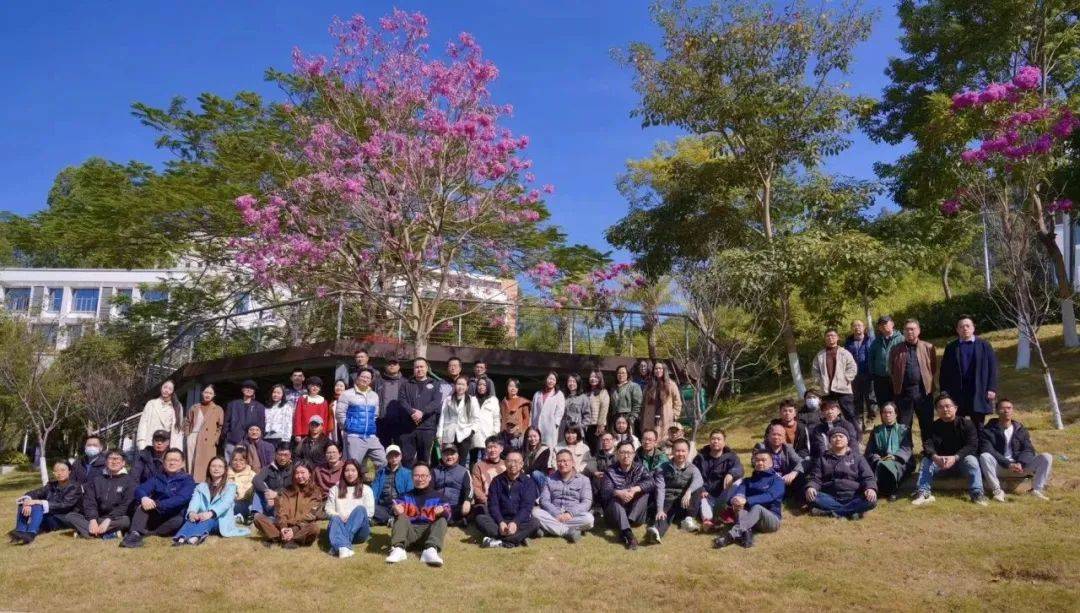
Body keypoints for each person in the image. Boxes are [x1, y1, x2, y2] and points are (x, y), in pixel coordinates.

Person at [912, 394, 987, 506]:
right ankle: (923, 493)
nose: (945, 409)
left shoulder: (967, 424)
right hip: (940, 464)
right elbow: (927, 445)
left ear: (955, 408)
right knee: (926, 461)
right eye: (941, 407)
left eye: (948, 406)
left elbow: (972, 445)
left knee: (972, 460)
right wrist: (935, 457)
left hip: (961, 462)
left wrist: (955, 457)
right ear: (937, 410)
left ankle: (977, 494)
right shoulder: (932, 427)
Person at [979, 398, 1053, 501]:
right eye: (1003, 408)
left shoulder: (1020, 429)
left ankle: (1036, 490)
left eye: (1009, 408)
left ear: (1012, 410)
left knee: (1046, 457)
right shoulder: (988, 430)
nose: (1006, 411)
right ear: (997, 411)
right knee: (985, 456)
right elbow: (988, 449)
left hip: (1020, 468)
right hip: (1000, 467)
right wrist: (1008, 464)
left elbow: (1028, 449)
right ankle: (997, 491)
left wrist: (1020, 463)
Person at [121, 448, 196, 548]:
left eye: (176, 460)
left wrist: (158, 504)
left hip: (174, 515)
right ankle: (134, 535)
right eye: (169, 460)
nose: (172, 463)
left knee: (178, 522)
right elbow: (140, 489)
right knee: (143, 507)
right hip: (157, 514)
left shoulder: (187, 480)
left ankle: (148, 533)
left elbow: (181, 498)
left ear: (182, 463)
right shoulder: (157, 478)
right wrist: (144, 498)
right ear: (164, 463)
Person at [714, 446, 784, 549]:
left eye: (763, 460)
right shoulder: (747, 481)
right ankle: (747, 536)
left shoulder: (777, 480)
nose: (760, 463)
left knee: (757, 507)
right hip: (751, 519)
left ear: (771, 463)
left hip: (771, 520)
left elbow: (770, 496)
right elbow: (739, 494)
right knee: (740, 506)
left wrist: (747, 501)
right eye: (757, 460)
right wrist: (736, 500)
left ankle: (730, 536)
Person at [385, 463, 451, 566]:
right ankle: (398, 549)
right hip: (409, 535)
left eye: (423, 476)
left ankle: (431, 550)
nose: (420, 479)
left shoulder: (439, 497)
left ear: (429, 477)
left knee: (442, 519)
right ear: (412, 477)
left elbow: (448, 512)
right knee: (401, 516)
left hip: (428, 535)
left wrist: (443, 511)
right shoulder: (404, 496)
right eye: (416, 475)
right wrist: (395, 509)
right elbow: (394, 506)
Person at [940, 316, 999, 428]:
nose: (965, 329)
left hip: (978, 389)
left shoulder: (984, 345)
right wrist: (944, 392)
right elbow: (944, 372)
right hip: (958, 391)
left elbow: (993, 368)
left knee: (978, 424)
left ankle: (979, 440)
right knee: (958, 424)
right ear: (957, 330)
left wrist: (992, 388)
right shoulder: (951, 348)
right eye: (961, 327)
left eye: (968, 326)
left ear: (973, 328)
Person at [173, 456, 249, 545]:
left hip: (221, 521)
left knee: (209, 519)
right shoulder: (200, 486)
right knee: (192, 519)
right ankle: (181, 538)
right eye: (213, 466)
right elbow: (194, 502)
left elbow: (226, 503)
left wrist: (210, 513)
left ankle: (195, 537)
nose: (216, 469)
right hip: (203, 517)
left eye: (220, 466)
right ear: (209, 468)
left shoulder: (230, 486)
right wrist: (192, 513)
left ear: (225, 470)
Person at [805, 428, 878, 519]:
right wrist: (811, 487)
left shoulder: (858, 458)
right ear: (830, 441)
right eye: (834, 437)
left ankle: (830, 512)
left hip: (853, 496)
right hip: (830, 496)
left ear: (847, 440)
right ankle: (852, 512)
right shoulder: (822, 458)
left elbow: (868, 477)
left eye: (841, 436)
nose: (838, 439)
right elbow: (815, 478)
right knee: (812, 497)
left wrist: (870, 488)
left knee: (871, 500)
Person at [476, 450, 540, 548]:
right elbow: (493, 505)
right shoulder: (497, 481)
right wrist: (500, 522)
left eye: (516, 461)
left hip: (519, 521)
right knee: (480, 519)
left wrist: (515, 523)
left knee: (535, 523)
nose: (512, 464)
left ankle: (500, 541)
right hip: (499, 520)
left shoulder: (529, 483)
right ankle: (517, 538)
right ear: (505, 463)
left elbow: (526, 507)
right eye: (509, 461)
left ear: (521, 464)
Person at [65, 450, 134, 540]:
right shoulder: (97, 479)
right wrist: (92, 520)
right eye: (110, 458)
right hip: (97, 517)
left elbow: (125, 505)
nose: (114, 461)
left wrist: (108, 519)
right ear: (106, 461)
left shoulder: (129, 481)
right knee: (70, 517)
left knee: (126, 521)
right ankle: (108, 534)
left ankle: (88, 532)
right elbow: (89, 501)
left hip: (115, 518)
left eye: (117, 459)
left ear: (123, 463)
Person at [602, 441, 657, 550]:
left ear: (634, 454)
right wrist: (619, 493)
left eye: (629, 452)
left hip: (635, 516)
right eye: (622, 452)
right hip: (615, 515)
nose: (626, 456)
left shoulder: (640, 468)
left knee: (644, 492)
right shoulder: (610, 471)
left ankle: (626, 523)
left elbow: (651, 482)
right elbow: (605, 491)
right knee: (614, 499)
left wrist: (635, 490)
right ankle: (629, 534)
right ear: (617, 454)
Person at [253, 462, 322, 548]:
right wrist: (283, 528)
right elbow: (281, 511)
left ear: (310, 473)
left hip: (301, 528)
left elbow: (310, 516)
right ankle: (284, 538)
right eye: (297, 473)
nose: (299, 476)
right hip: (285, 526)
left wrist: (293, 530)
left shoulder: (316, 493)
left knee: (314, 528)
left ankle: (285, 539)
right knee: (258, 518)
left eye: (303, 473)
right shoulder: (287, 490)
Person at [9, 461, 79, 544]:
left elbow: (64, 505)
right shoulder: (51, 485)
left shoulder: (74, 487)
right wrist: (27, 502)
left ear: (69, 471)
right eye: (56, 471)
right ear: (53, 473)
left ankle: (31, 533)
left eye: (63, 470)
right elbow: (33, 493)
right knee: (24, 502)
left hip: (64, 517)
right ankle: (20, 530)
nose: (60, 473)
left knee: (39, 505)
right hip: (49, 515)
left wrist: (40, 502)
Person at [533, 449, 593, 543]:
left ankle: (548, 529)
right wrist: (556, 513)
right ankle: (567, 532)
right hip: (554, 514)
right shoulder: (549, 479)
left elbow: (587, 502)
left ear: (572, 462)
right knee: (535, 513)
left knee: (589, 519)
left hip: (573, 516)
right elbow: (544, 500)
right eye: (559, 461)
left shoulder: (584, 480)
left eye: (565, 461)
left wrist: (570, 513)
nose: (562, 464)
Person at [889, 319, 937, 435]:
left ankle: (928, 446)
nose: (909, 332)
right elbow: (892, 370)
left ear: (918, 331)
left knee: (927, 424)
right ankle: (906, 447)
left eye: (912, 329)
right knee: (904, 425)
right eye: (907, 329)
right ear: (903, 332)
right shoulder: (895, 349)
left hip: (924, 392)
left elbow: (933, 368)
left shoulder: (928, 347)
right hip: (903, 393)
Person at [811, 329, 860, 435]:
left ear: (837, 338)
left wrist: (846, 378)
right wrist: (819, 381)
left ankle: (857, 436)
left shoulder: (844, 352)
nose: (830, 338)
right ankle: (832, 436)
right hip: (827, 390)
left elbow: (852, 367)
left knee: (850, 414)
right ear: (825, 339)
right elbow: (815, 370)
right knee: (829, 415)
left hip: (843, 389)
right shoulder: (820, 355)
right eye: (828, 336)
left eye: (833, 336)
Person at [653, 439, 704, 540]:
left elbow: (699, 480)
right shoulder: (662, 468)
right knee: (663, 515)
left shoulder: (692, 468)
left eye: (683, 451)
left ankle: (689, 519)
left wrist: (689, 491)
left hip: (684, 503)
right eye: (677, 451)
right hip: (668, 500)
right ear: (672, 451)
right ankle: (656, 533)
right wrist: (660, 509)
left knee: (698, 487)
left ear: (688, 452)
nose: (680, 454)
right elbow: (660, 489)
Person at [693, 429, 744, 527]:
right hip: (706, 495)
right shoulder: (700, 458)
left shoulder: (731, 457)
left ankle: (729, 510)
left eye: (719, 439)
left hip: (724, 494)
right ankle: (708, 522)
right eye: (713, 439)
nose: (715, 441)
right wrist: (701, 489)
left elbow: (739, 469)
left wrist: (731, 474)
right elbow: (694, 475)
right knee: (708, 515)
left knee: (738, 480)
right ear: (709, 441)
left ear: (724, 442)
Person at [336, 368, 387, 468]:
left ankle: (378, 479)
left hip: (371, 437)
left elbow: (375, 415)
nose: (365, 379)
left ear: (371, 380)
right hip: (354, 436)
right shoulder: (347, 394)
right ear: (357, 378)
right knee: (354, 466)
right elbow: (340, 413)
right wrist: (348, 427)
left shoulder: (374, 395)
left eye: (368, 378)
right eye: (363, 376)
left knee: (383, 461)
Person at [325, 459, 374, 558]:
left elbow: (369, 512)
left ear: (358, 472)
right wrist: (339, 516)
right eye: (347, 470)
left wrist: (351, 518)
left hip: (359, 532)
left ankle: (338, 544)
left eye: (353, 470)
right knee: (335, 518)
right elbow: (328, 509)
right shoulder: (335, 489)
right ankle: (343, 547)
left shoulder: (367, 489)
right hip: (340, 524)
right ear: (343, 473)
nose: (350, 474)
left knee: (360, 509)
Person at [864, 402, 915, 498]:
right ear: (881, 414)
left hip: (900, 460)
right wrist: (877, 457)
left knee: (891, 466)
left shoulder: (904, 430)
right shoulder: (876, 431)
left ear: (896, 414)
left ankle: (891, 490)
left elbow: (906, 448)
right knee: (879, 464)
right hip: (881, 459)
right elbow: (871, 449)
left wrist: (894, 457)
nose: (887, 415)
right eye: (884, 412)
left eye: (890, 412)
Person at [398, 358, 442, 466]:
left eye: (421, 367)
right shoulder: (406, 384)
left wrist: (422, 412)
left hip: (427, 428)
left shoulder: (436, 384)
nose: (419, 369)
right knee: (406, 459)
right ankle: (408, 477)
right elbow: (402, 401)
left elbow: (436, 402)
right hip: (408, 428)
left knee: (424, 460)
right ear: (413, 369)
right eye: (416, 367)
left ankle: (423, 477)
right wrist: (412, 412)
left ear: (427, 368)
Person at [184, 384, 224, 482]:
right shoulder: (194, 407)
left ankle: (204, 483)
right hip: (193, 437)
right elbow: (187, 422)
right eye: (206, 392)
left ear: (214, 395)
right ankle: (190, 482)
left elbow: (220, 426)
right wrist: (188, 435)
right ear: (202, 393)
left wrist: (215, 439)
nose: (207, 395)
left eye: (210, 393)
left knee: (206, 464)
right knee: (190, 461)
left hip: (208, 440)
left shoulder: (218, 409)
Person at [439, 375, 482, 465]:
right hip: (449, 434)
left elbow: (477, 418)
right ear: (455, 385)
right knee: (448, 460)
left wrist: (472, 431)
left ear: (467, 387)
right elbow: (442, 417)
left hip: (465, 434)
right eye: (458, 384)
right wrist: (439, 434)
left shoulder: (472, 400)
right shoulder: (448, 399)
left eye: (463, 384)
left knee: (462, 461)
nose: (460, 387)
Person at [762, 423, 808, 499]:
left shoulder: (787, 448)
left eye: (779, 435)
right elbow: (757, 465)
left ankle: (802, 500)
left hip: (785, 480)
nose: (776, 437)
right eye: (774, 434)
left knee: (800, 476)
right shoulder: (761, 448)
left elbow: (802, 462)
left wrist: (794, 473)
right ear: (768, 436)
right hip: (768, 480)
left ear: (784, 438)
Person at [224, 380, 266, 461]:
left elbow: (262, 425)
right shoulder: (232, 404)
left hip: (251, 442)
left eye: (251, 388)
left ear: (254, 391)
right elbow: (226, 422)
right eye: (246, 387)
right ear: (242, 389)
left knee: (250, 464)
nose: (249, 389)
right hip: (233, 440)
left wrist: (259, 440)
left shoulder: (259, 407)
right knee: (230, 463)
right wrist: (227, 435)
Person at [372, 445, 414, 525]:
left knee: (408, 509)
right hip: (382, 506)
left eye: (396, 455)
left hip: (399, 505)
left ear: (400, 456)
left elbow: (410, 492)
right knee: (369, 507)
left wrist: (400, 504)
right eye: (391, 456)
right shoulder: (380, 473)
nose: (394, 458)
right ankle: (390, 519)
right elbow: (374, 491)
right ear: (387, 458)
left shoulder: (408, 473)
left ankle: (383, 519)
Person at [136, 379, 183, 450]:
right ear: (161, 388)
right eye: (165, 387)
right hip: (150, 443)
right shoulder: (151, 404)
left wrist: (176, 449)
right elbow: (143, 423)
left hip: (166, 445)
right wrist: (141, 441)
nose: (166, 390)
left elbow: (178, 431)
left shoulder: (177, 407)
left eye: (170, 389)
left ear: (173, 391)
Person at [868, 315, 904, 409]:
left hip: (897, 378)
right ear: (879, 328)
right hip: (880, 379)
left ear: (892, 324)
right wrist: (873, 374)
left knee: (899, 404)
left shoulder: (901, 339)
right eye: (881, 324)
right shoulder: (876, 341)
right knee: (883, 405)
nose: (884, 325)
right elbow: (871, 358)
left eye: (886, 323)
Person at [844, 320, 874, 428]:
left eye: (859, 325)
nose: (857, 327)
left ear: (864, 327)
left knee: (871, 398)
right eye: (854, 326)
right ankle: (860, 419)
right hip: (855, 376)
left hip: (869, 374)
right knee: (857, 399)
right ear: (852, 328)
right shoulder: (848, 342)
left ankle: (871, 419)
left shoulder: (871, 339)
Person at [433, 445, 473, 525]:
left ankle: (451, 518)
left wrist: (467, 501)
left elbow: (469, 489)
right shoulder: (434, 471)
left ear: (457, 455)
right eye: (446, 454)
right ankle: (454, 520)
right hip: (439, 505)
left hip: (456, 505)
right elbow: (429, 489)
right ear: (441, 455)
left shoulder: (464, 471)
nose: (449, 457)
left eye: (452, 454)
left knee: (473, 509)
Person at [251, 443, 294, 517]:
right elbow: (256, 480)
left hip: (286, 501)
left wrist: (277, 494)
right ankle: (256, 515)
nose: (282, 458)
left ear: (290, 456)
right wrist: (267, 491)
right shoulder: (269, 468)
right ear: (275, 455)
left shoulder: (294, 469)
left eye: (286, 455)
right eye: (280, 455)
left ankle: (271, 518)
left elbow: (295, 490)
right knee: (258, 491)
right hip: (270, 501)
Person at [470, 437, 507, 520]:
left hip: (505, 501)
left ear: (501, 449)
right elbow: (476, 488)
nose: (492, 450)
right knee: (481, 515)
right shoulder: (479, 465)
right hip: (487, 502)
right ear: (486, 449)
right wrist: (487, 501)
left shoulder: (506, 464)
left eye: (495, 447)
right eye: (489, 447)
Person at [642, 362, 682, 437]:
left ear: (664, 370)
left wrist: (674, 415)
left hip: (666, 417)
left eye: (660, 368)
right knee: (651, 437)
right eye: (656, 369)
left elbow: (677, 401)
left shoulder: (671, 384)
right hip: (651, 417)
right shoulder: (649, 385)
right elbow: (644, 402)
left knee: (664, 438)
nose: (658, 370)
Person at [470, 378, 502, 467]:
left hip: (488, 434)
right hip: (474, 435)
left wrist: (495, 432)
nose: (481, 387)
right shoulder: (471, 399)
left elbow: (496, 418)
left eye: (484, 385)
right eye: (479, 384)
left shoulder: (493, 400)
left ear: (488, 387)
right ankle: (474, 475)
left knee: (487, 460)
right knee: (472, 460)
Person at [292, 376, 332, 443]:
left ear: (320, 388)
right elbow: (298, 417)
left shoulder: (324, 402)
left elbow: (325, 419)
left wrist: (323, 433)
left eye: (317, 386)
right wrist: (297, 434)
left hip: (319, 434)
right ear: (308, 386)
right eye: (312, 385)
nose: (315, 387)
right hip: (304, 433)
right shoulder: (302, 399)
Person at [531, 371, 566, 449]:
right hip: (537, 426)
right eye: (550, 379)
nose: (551, 381)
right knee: (537, 447)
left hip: (550, 427)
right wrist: (533, 425)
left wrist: (555, 423)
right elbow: (533, 410)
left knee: (549, 447)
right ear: (546, 379)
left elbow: (560, 411)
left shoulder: (559, 394)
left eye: (553, 379)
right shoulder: (537, 394)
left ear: (556, 382)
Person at [378, 358, 406, 448]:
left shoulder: (405, 382)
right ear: (385, 366)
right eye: (389, 364)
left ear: (399, 366)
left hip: (400, 422)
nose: (392, 366)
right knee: (382, 449)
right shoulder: (378, 381)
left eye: (394, 364)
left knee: (400, 449)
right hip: (382, 421)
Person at [610, 365, 642, 433]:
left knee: (628, 438)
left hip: (628, 418)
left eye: (623, 373)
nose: (621, 375)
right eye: (619, 373)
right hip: (616, 418)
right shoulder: (613, 388)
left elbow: (637, 404)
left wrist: (631, 419)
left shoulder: (634, 386)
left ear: (627, 374)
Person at [585, 432, 617, 500]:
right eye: (603, 440)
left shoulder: (618, 453)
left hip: (615, 484)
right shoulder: (598, 454)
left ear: (613, 440)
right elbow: (591, 463)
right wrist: (594, 472)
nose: (605, 442)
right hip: (599, 484)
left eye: (607, 440)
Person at [228, 448, 257, 521]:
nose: (238, 463)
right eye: (235, 460)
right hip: (229, 503)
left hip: (246, 503)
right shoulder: (226, 474)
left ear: (246, 461)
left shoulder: (252, 475)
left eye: (241, 460)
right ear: (231, 461)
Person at [561, 374, 590, 443]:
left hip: (578, 432)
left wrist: (579, 426)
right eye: (569, 381)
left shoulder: (583, 398)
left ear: (578, 383)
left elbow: (587, 417)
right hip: (565, 431)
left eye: (574, 381)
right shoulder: (563, 397)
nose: (571, 383)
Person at [586, 370, 609, 450]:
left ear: (600, 379)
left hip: (597, 426)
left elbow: (604, 409)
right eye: (591, 377)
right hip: (587, 425)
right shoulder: (587, 393)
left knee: (597, 449)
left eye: (596, 377)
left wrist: (600, 425)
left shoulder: (603, 392)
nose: (593, 379)